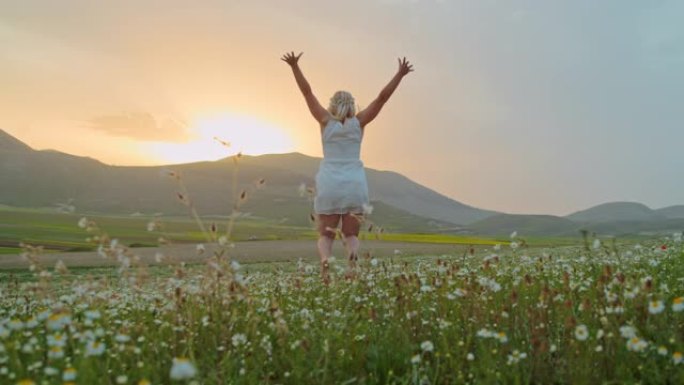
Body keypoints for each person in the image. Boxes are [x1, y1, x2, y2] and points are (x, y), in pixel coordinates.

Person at [282, 51, 413, 281]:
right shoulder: (359, 122)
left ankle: (325, 261)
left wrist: (294, 66)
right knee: (351, 234)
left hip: (330, 183)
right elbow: (382, 98)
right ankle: (351, 263)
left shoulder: (325, 121)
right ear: (352, 105)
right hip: (354, 184)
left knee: (326, 234)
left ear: (332, 105)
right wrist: (400, 74)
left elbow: (307, 92)